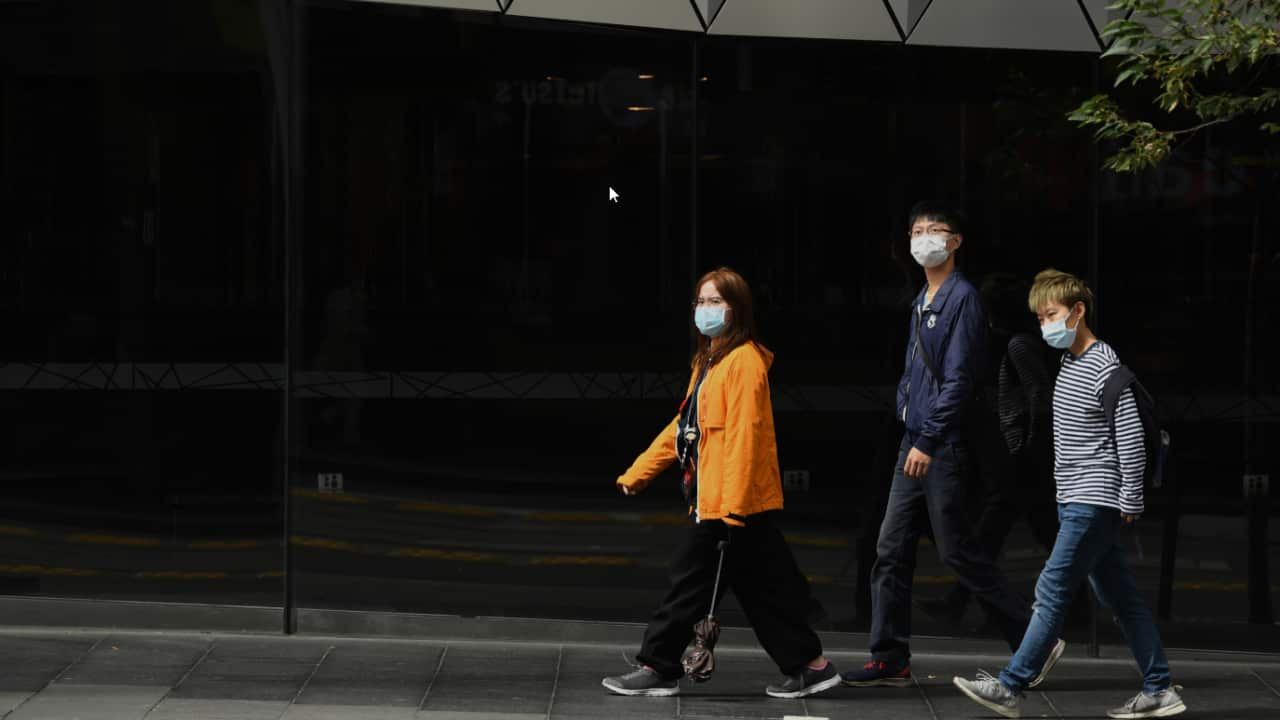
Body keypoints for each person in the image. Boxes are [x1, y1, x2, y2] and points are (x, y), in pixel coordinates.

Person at [841, 203, 1062, 689]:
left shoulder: (961, 299)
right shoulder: (923, 296)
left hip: (940, 444)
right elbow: (915, 373)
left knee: (958, 551)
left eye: (934, 231)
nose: (924, 238)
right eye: (916, 230)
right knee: (890, 548)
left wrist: (928, 437)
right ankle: (889, 655)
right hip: (914, 440)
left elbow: (959, 380)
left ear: (956, 242)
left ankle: (1034, 640)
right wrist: (907, 415)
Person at [953, 269, 1186, 719]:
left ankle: (1011, 685)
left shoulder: (1105, 367)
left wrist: (1131, 500)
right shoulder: (1070, 364)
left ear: (1078, 311)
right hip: (1076, 497)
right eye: (1040, 318)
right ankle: (1159, 688)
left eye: (1052, 315)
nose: (1046, 326)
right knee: (1122, 601)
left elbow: (1131, 438)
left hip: (1094, 499)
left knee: (1052, 589)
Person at [601, 267, 840, 700]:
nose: (705, 310)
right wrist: (639, 472)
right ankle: (809, 666)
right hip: (725, 502)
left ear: (738, 309)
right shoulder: (710, 361)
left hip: (729, 504)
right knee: (762, 590)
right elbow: (685, 427)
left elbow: (749, 439)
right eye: (701, 302)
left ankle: (658, 664)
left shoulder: (744, 363)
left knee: (688, 584)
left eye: (716, 302)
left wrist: (730, 509)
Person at [915, 274, 1060, 626]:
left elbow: (1039, 398)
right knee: (1022, 531)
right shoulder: (1013, 344)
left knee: (1003, 530)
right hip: (1021, 455)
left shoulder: (1018, 346)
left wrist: (1024, 445)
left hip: (1021, 456)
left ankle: (969, 602)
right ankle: (966, 601)